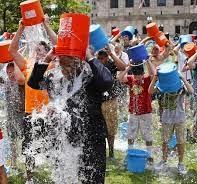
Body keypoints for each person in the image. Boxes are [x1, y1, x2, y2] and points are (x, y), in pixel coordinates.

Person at [27, 47, 113, 183]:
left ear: (78, 62)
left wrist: (90, 57)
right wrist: (47, 58)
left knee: (93, 179)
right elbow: (33, 82)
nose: (64, 70)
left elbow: (106, 82)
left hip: (92, 138)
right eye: (61, 65)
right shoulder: (55, 78)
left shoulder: (90, 77)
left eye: (67, 66)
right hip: (66, 139)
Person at [9, 19, 56, 182]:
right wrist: (20, 28)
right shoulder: (28, 64)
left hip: (48, 114)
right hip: (30, 114)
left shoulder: (52, 66)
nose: (39, 53)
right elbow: (12, 50)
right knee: (29, 148)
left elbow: (60, 46)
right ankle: (30, 177)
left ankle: (56, 176)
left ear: (48, 53)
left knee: (52, 146)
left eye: (42, 51)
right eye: (37, 50)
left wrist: (46, 26)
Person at [148, 63, 194, 175]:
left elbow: (191, 91)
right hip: (166, 118)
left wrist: (182, 77)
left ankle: (181, 163)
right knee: (165, 141)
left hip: (180, 118)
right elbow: (150, 91)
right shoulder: (161, 87)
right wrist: (155, 77)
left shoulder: (181, 87)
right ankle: (164, 160)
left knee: (181, 141)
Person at [117, 60, 154, 167]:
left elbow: (153, 74)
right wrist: (128, 68)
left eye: (140, 75)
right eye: (136, 75)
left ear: (143, 74)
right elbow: (119, 78)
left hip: (146, 112)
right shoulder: (131, 78)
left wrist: (148, 62)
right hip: (133, 112)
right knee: (131, 134)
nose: (138, 78)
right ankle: (130, 153)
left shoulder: (147, 79)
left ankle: (150, 155)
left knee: (147, 134)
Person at [97, 48, 126, 159]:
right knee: (99, 127)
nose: (100, 60)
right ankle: (101, 152)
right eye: (99, 58)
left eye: (102, 58)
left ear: (107, 57)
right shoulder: (95, 64)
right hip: (98, 101)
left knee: (111, 128)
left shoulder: (111, 64)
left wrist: (112, 54)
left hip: (110, 101)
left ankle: (111, 152)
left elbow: (123, 67)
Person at [4, 62, 25, 169]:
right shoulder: (6, 82)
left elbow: (22, 80)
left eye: (11, 72)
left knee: (23, 138)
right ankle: (14, 161)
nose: (9, 74)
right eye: (7, 72)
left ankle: (26, 159)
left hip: (21, 115)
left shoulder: (20, 82)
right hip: (10, 115)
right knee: (12, 139)